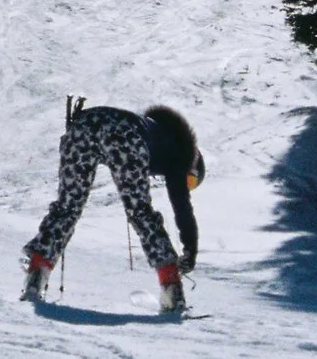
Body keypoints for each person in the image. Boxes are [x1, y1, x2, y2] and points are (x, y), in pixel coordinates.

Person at [22, 101, 204, 312]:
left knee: (67, 207)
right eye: (190, 181)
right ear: (194, 165)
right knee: (141, 213)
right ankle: (172, 290)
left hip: (82, 124)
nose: (185, 184)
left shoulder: (154, 129)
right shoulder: (180, 154)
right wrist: (190, 250)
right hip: (124, 135)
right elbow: (182, 208)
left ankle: (36, 275)